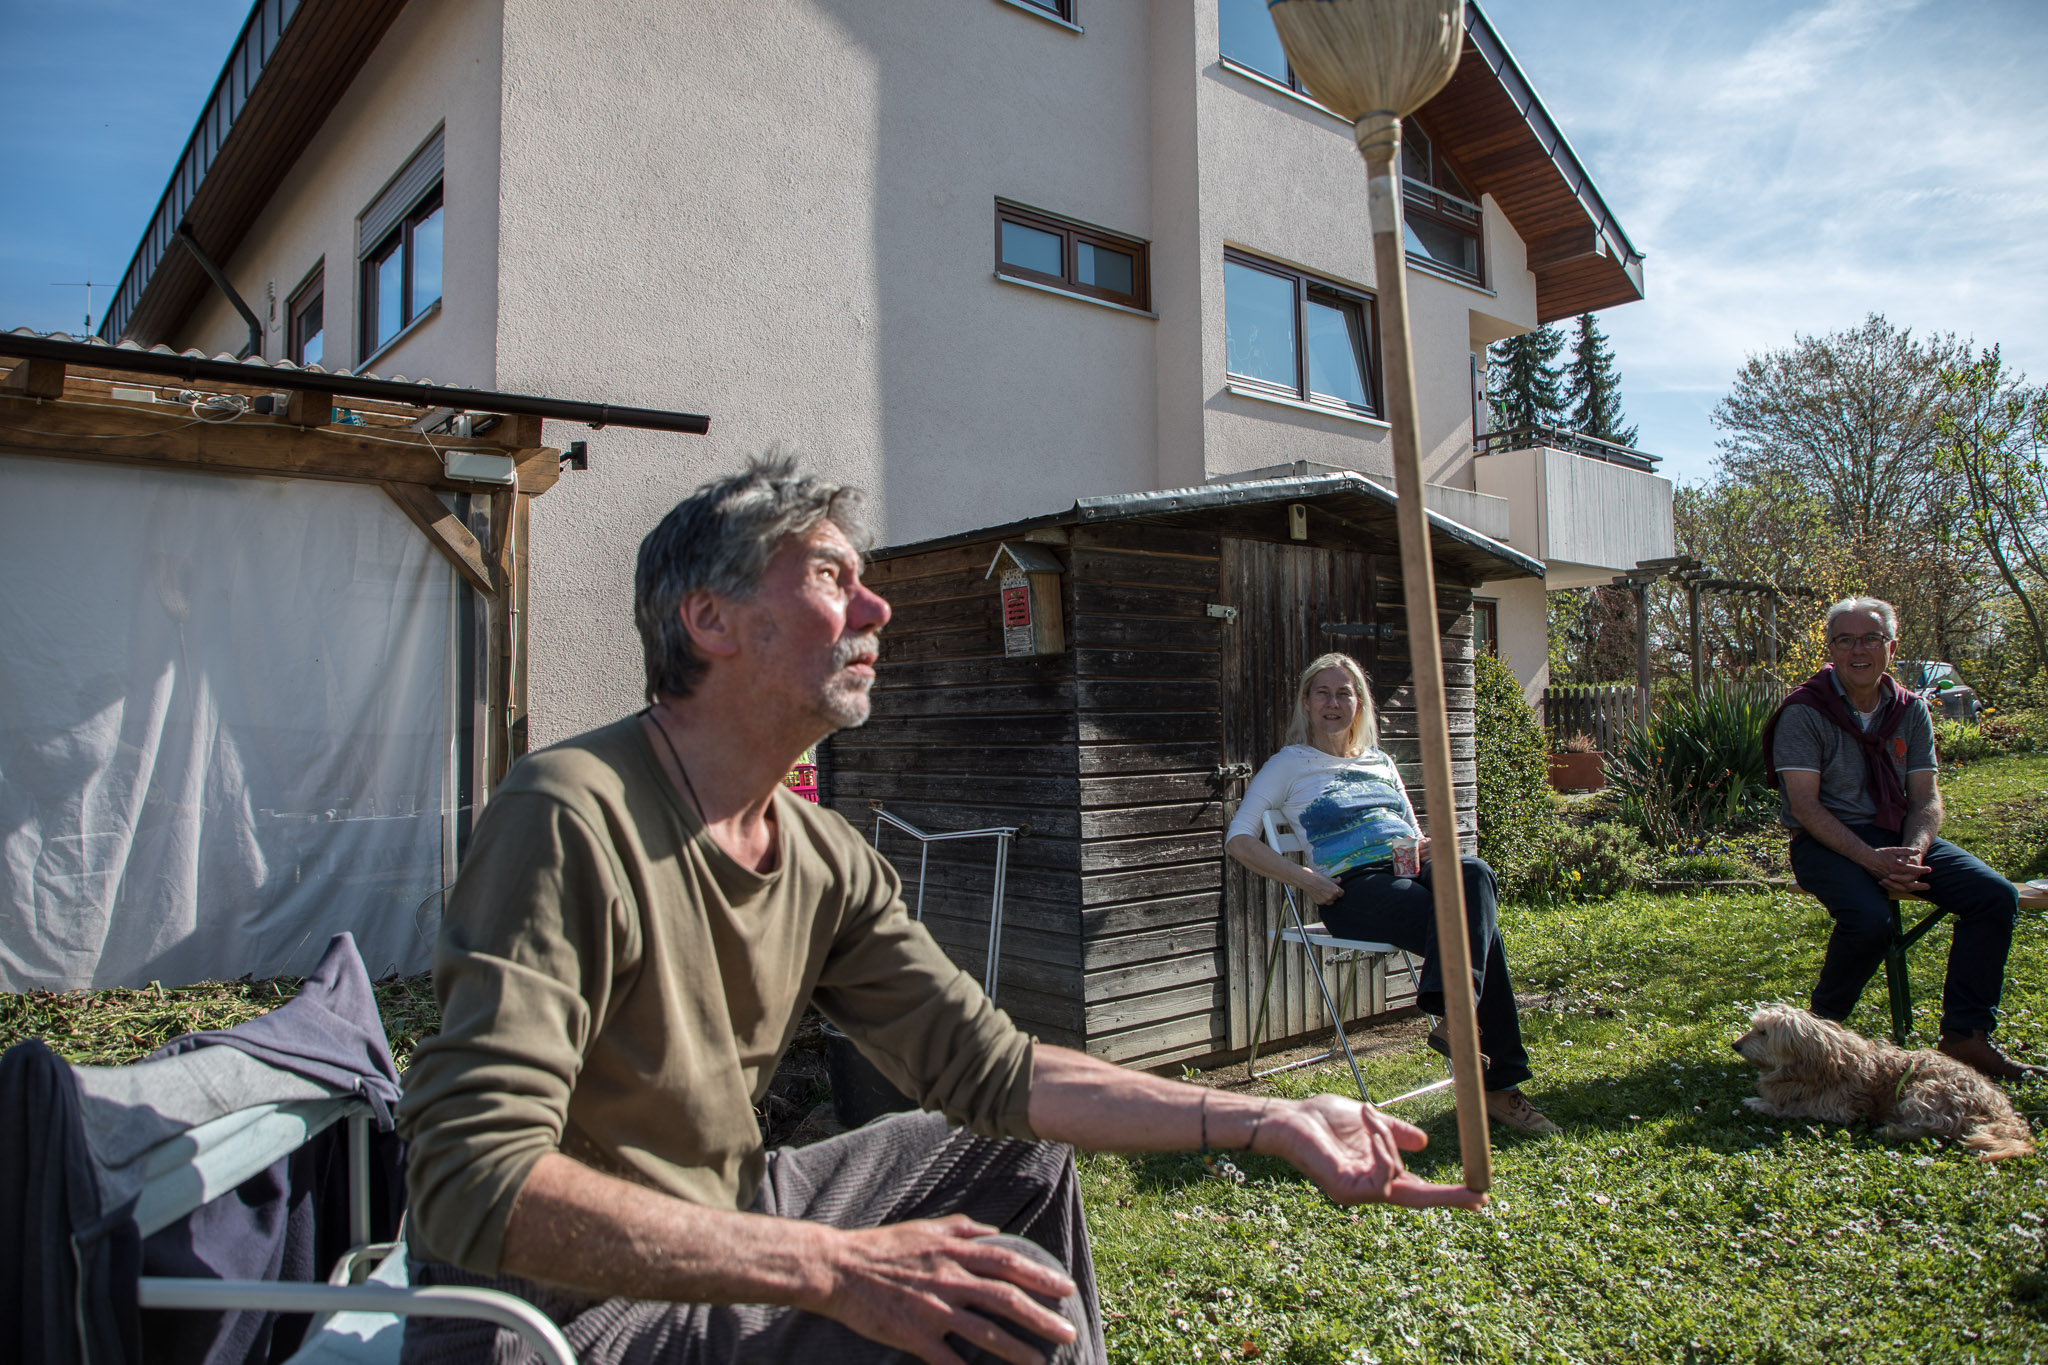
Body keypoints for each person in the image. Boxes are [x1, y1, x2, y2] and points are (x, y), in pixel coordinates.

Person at [395, 456, 1486, 1365]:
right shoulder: (570, 813)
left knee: (1020, 1161)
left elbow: (994, 1071)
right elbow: (465, 1180)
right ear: (710, 619)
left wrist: (1261, 1120)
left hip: (730, 1212)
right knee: (979, 1310)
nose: (877, 610)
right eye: (832, 579)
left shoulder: (821, 854)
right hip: (555, 1318)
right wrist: (834, 1267)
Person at [1223, 652, 1558, 1136]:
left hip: (1407, 869)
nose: (1333, 703)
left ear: (1359, 703)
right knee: (1477, 933)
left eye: (1344, 693)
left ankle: (1456, 1017)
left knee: (1474, 872)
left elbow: (1411, 834)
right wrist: (1307, 880)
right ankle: (1498, 1086)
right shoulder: (1288, 765)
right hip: (1352, 888)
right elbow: (1239, 840)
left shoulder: (1380, 761)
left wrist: (1427, 846)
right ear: (1306, 702)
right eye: (1323, 693)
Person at [1763, 596, 2037, 1082]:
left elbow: (1926, 798)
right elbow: (1804, 806)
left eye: (1870, 639)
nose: (1858, 650)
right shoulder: (1804, 711)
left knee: (1993, 895)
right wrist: (1872, 860)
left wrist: (1914, 851)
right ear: (1831, 650)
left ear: (1891, 647)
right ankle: (1813, 1039)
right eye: (1845, 641)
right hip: (1824, 842)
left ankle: (1966, 1038)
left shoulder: (1911, 710)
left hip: (1899, 836)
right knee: (1870, 922)